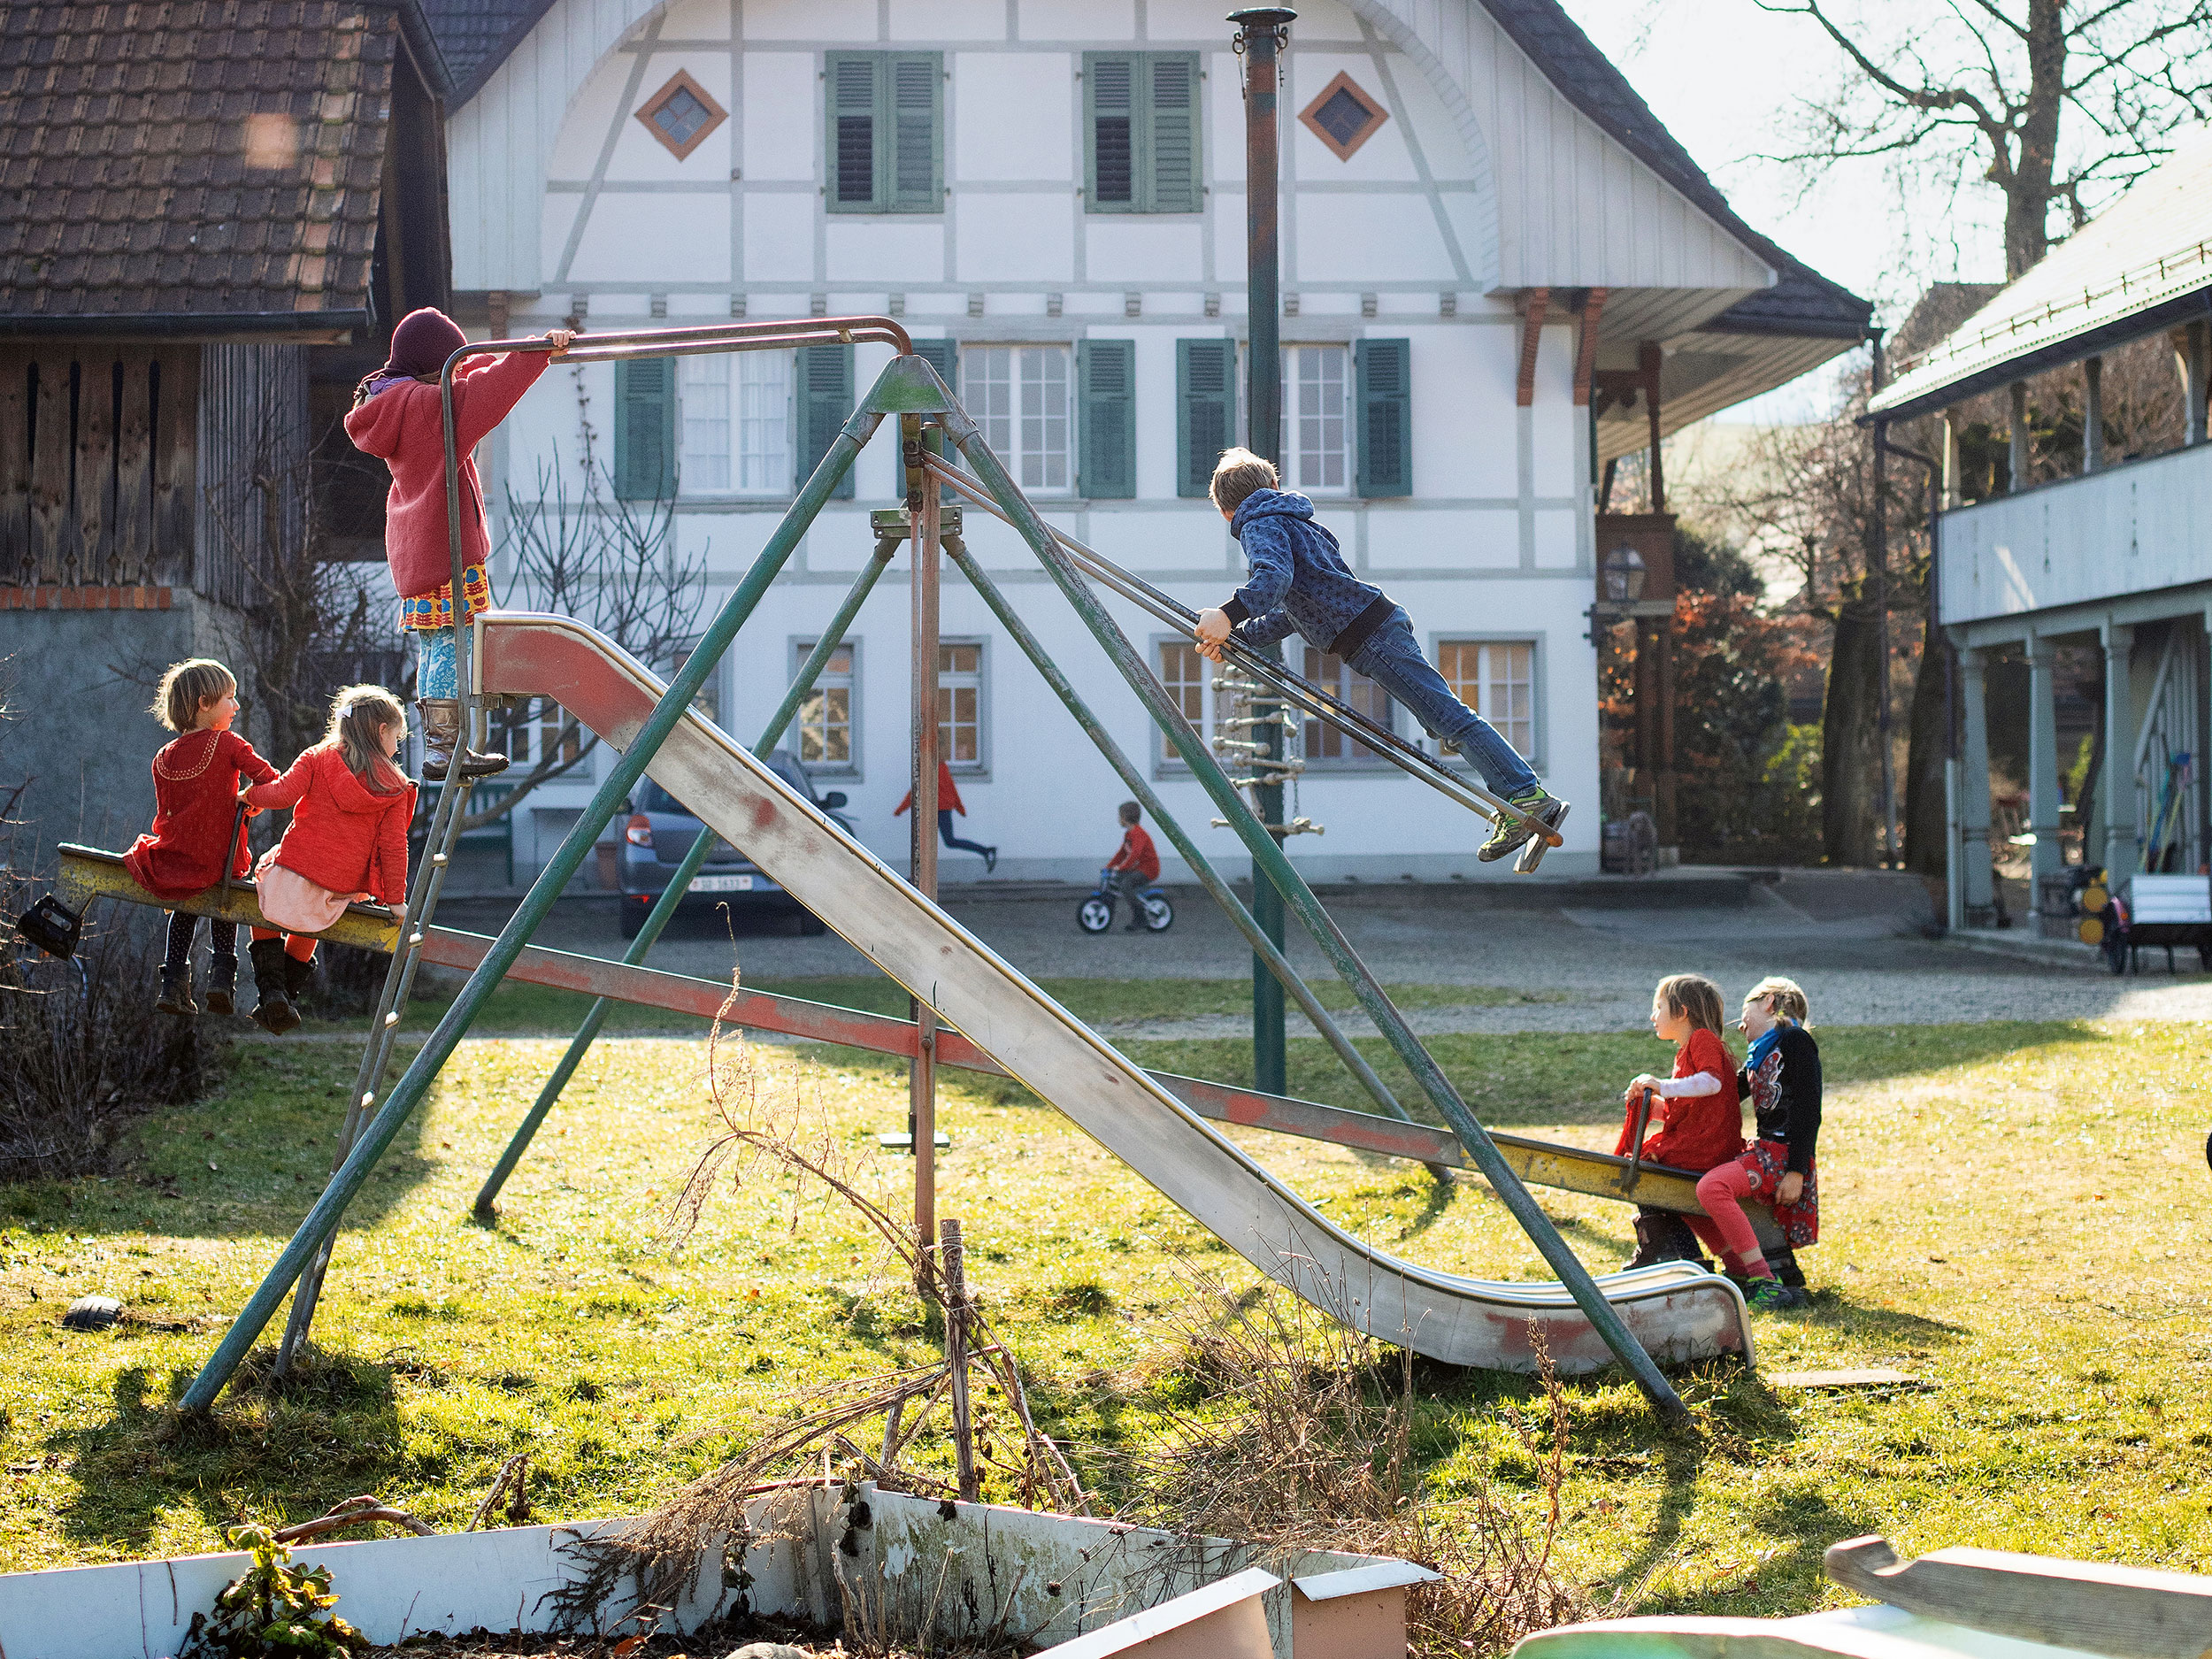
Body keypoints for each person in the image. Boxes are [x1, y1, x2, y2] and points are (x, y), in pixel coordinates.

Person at [1190, 448, 1566, 866]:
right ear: (1274, 485)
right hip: (1376, 629)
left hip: (1372, 638)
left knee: (1448, 719)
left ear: (1226, 513)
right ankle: (1518, 794)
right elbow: (1295, 612)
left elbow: (1273, 580)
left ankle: (1525, 794)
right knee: (1441, 719)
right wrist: (1239, 636)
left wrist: (1228, 614)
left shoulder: (1258, 525)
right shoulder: (1298, 523)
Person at [345, 307, 573, 782]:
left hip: (415, 550)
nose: (461, 373)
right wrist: (538, 351)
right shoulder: (433, 409)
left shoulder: (392, 403)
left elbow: (474, 379)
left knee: (435, 646)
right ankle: (446, 750)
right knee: (456, 644)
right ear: (438, 366)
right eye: (455, 364)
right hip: (446, 547)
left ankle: (439, 745)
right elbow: (488, 392)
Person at [239, 687, 417, 1035]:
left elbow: (281, 793)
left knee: (264, 896)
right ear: (382, 731)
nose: (398, 746)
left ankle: (273, 990)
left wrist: (249, 795)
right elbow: (394, 847)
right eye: (398, 736)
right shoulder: (395, 787)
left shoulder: (317, 758)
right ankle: (283, 998)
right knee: (311, 924)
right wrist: (396, 901)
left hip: (295, 869)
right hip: (338, 889)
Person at [1613, 973, 1783, 1308]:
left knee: (1655, 1180)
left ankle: (1683, 1261)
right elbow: (1692, 1110)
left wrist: (1660, 1085)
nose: (1652, 1016)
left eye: (1658, 1007)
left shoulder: (1703, 1040)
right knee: (1686, 1201)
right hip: (1701, 1141)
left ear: (1682, 1012)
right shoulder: (1686, 1051)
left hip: (1706, 1148)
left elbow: (1712, 1084)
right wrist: (1648, 1104)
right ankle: (1729, 1267)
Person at [123, 658, 280, 1017]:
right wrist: (249, 800)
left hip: (177, 858)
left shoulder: (162, 758)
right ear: (204, 704)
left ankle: (172, 984)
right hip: (220, 858)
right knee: (224, 904)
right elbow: (270, 778)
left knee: (184, 907)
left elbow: (169, 814)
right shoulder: (227, 743)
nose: (236, 706)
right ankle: (221, 979)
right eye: (230, 698)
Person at [1696, 975, 1823, 1307]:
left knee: (1712, 1189)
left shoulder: (1794, 1040)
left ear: (1768, 1002)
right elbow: (1722, 1097)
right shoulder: (1759, 1053)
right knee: (1696, 1183)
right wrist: (1667, 1098)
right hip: (1766, 1153)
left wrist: (1797, 1171)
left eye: (1744, 1011)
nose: (1740, 1026)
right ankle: (1741, 1270)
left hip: (1782, 1157)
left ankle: (1764, 1280)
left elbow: (1810, 1110)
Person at [894, 757, 996, 873]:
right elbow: (952, 788)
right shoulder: (943, 768)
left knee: (928, 843)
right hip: (944, 810)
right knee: (944, 842)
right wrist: (960, 808)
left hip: (935, 811)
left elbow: (914, 792)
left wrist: (900, 810)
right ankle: (986, 851)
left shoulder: (928, 770)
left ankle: (918, 876)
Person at [1103, 801, 1159, 933]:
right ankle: (1109, 908)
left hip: (1149, 869)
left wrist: (1122, 867)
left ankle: (1140, 917)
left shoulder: (1138, 834)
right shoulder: (1129, 834)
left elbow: (1135, 854)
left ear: (1125, 818)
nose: (1118, 819)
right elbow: (1122, 853)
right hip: (1139, 868)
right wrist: (1109, 866)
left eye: (1119, 816)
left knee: (1126, 884)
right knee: (1115, 879)